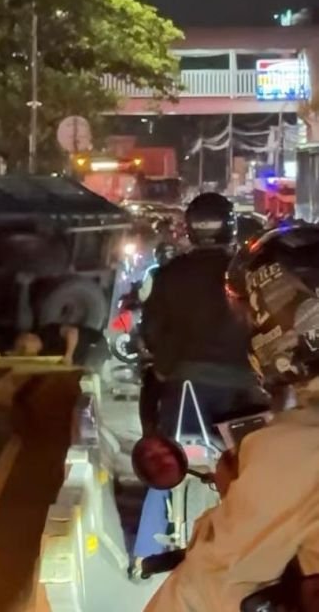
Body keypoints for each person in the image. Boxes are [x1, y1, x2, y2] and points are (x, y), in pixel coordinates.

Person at [143, 220, 319, 612]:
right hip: (242, 393)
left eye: (253, 318)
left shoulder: (294, 447)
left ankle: (149, 536)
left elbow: (207, 585)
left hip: (191, 387)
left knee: (162, 488)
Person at [133, 192, 264, 565]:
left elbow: (153, 331)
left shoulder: (171, 274)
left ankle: (146, 552)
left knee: (163, 463)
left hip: (186, 390)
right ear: (230, 225)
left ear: (190, 228)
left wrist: (163, 364)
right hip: (249, 391)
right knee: (261, 468)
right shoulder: (251, 270)